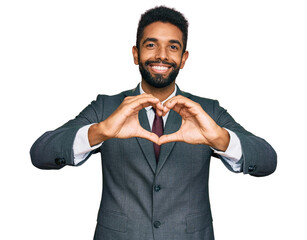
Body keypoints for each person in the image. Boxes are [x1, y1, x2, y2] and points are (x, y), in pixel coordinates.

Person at [30, 6, 277, 240]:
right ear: (136, 54)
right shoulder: (106, 107)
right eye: (151, 45)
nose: (161, 55)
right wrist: (101, 131)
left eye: (173, 47)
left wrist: (220, 139)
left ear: (183, 58)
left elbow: (267, 160)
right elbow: (41, 153)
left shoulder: (207, 111)